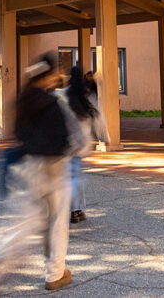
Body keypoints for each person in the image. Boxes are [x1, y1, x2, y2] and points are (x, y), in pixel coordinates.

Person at [0, 52, 81, 294]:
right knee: (57, 222)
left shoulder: (22, 101)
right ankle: (55, 274)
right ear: (48, 76)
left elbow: (18, 135)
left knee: (24, 222)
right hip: (54, 170)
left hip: (27, 168)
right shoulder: (52, 104)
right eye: (56, 71)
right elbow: (67, 140)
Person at [57, 65, 105, 223]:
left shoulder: (61, 95)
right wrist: (104, 137)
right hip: (81, 144)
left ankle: (69, 208)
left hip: (65, 143)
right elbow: (98, 118)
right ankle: (76, 210)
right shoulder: (87, 96)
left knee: (67, 176)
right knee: (75, 176)